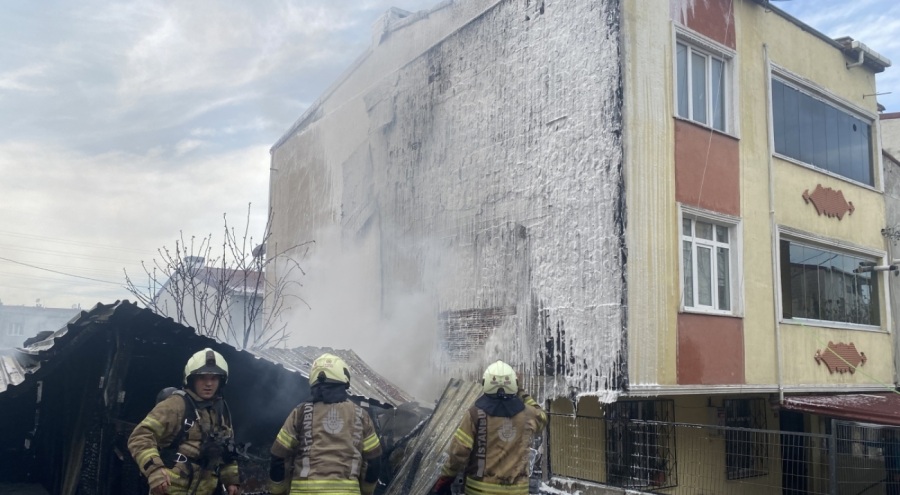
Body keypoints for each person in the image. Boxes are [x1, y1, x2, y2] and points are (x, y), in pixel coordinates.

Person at [128, 348, 241, 495]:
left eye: (214, 378)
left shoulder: (221, 410)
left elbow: (226, 448)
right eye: (203, 378)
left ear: (221, 381)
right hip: (172, 489)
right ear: (192, 379)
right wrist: (154, 470)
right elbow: (139, 437)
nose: (208, 384)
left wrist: (231, 480)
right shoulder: (175, 405)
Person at [267, 352, 383, 495]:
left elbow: (278, 456)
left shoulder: (300, 413)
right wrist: (366, 491)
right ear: (343, 377)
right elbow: (373, 461)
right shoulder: (361, 415)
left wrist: (277, 490)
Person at [431, 360, 548, 495]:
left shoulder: (474, 413)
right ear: (513, 384)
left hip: (479, 490)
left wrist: (447, 476)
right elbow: (542, 416)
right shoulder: (529, 414)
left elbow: (459, 451)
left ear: (485, 383)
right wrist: (521, 391)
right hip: (517, 491)